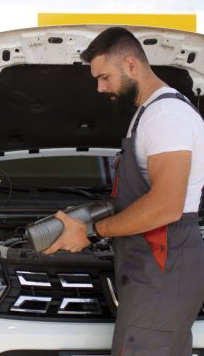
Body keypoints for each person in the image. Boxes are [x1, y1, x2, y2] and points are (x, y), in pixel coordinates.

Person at [44, 27, 204, 355]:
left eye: (104, 77)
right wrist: (81, 219)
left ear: (131, 65)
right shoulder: (148, 113)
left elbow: (166, 206)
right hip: (153, 267)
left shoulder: (166, 115)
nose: (100, 87)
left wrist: (92, 232)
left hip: (164, 264)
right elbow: (137, 194)